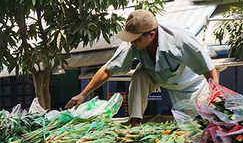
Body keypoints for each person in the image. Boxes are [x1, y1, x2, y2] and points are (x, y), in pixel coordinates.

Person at [66, 10, 219, 126]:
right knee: (140, 74)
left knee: (193, 124)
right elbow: (108, 69)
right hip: (156, 75)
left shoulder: (181, 39)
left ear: (151, 35)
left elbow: (208, 67)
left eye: (137, 40)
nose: (132, 42)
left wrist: (216, 92)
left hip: (189, 83)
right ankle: (135, 124)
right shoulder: (134, 42)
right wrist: (83, 94)